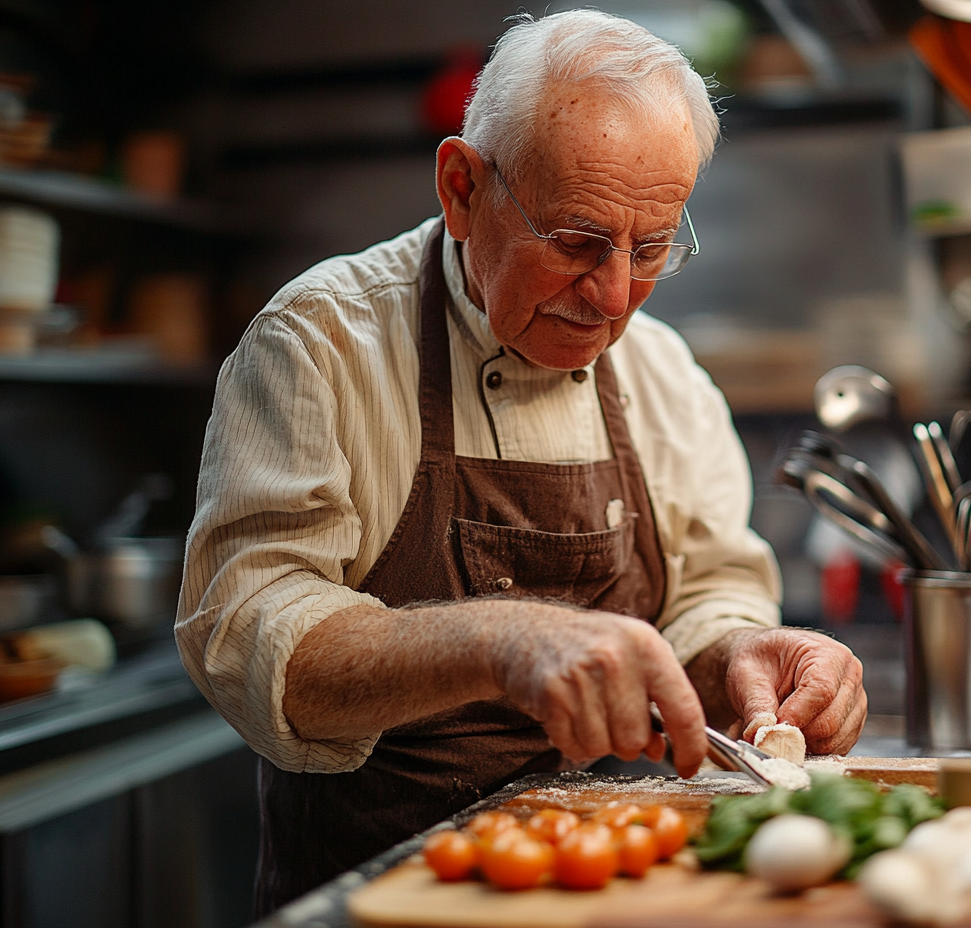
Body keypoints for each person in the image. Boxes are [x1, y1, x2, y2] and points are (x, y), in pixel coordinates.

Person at [176, 9, 867, 915]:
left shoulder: (663, 374)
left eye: (651, 248)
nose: (613, 297)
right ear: (462, 189)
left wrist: (741, 655)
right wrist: (499, 642)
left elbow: (704, 595)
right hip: (380, 897)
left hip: (610, 886)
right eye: (577, 242)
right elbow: (245, 631)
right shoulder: (321, 345)